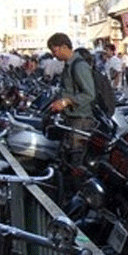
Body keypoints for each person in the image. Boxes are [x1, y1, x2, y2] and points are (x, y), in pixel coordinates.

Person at [46, 33, 97, 162]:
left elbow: (89, 93)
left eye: (55, 51)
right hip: (71, 119)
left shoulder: (79, 66)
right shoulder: (68, 65)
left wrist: (66, 101)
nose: (54, 55)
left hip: (81, 121)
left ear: (64, 47)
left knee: (76, 159)